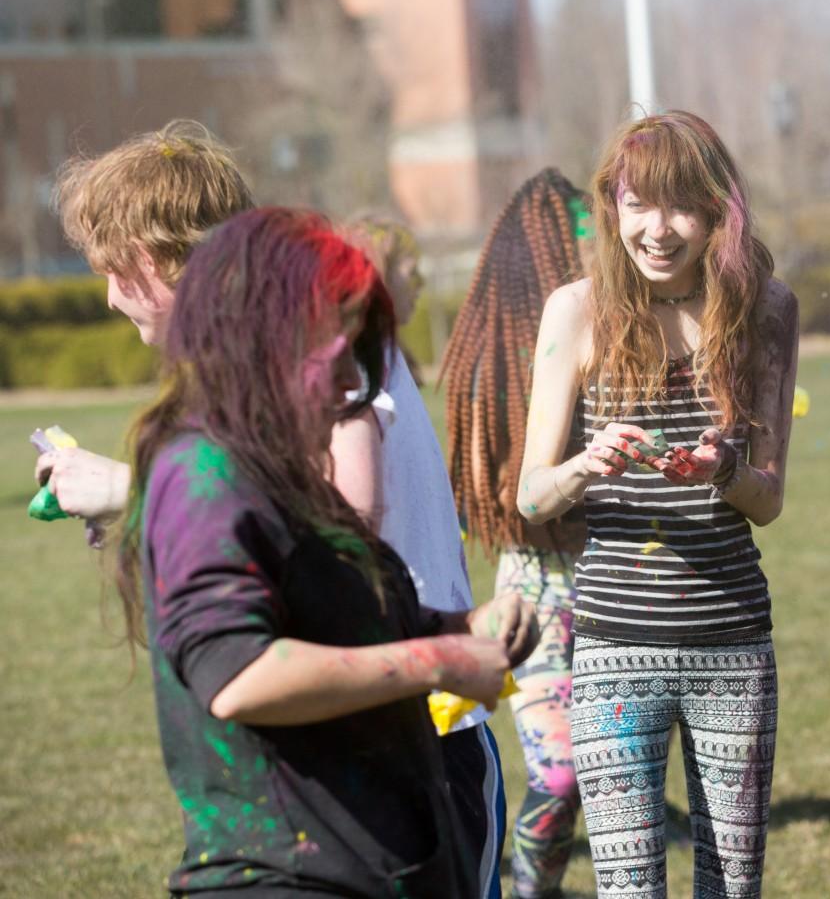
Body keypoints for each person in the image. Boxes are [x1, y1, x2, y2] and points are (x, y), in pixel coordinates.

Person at [115, 207, 537, 897]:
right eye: (332, 344)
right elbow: (239, 675)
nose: (353, 377)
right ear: (256, 336)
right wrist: (438, 660)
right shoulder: (204, 472)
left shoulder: (283, 472)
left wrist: (464, 628)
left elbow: (340, 622)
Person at [517, 112, 799, 899]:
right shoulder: (575, 311)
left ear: (717, 212)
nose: (657, 229)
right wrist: (585, 463)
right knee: (628, 890)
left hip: (732, 651)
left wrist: (723, 469)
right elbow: (530, 494)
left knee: (729, 889)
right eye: (637, 204)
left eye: (680, 206)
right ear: (612, 206)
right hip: (612, 653)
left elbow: (768, 500)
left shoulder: (764, 312)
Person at [329, 216, 507, 899]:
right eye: (405, 271)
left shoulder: (386, 364)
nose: (420, 284)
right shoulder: (355, 383)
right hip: (429, 687)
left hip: (432, 677)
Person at [442, 168, 590, 899]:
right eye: (582, 235)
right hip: (535, 590)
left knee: (605, 771)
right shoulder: (496, 360)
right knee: (557, 776)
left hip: (624, 579)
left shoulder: (611, 332)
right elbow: (480, 494)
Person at [35, 120, 254, 524]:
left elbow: (296, 514)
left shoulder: (283, 366)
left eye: (109, 271)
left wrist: (126, 489)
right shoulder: (245, 353)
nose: (111, 300)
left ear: (145, 257)